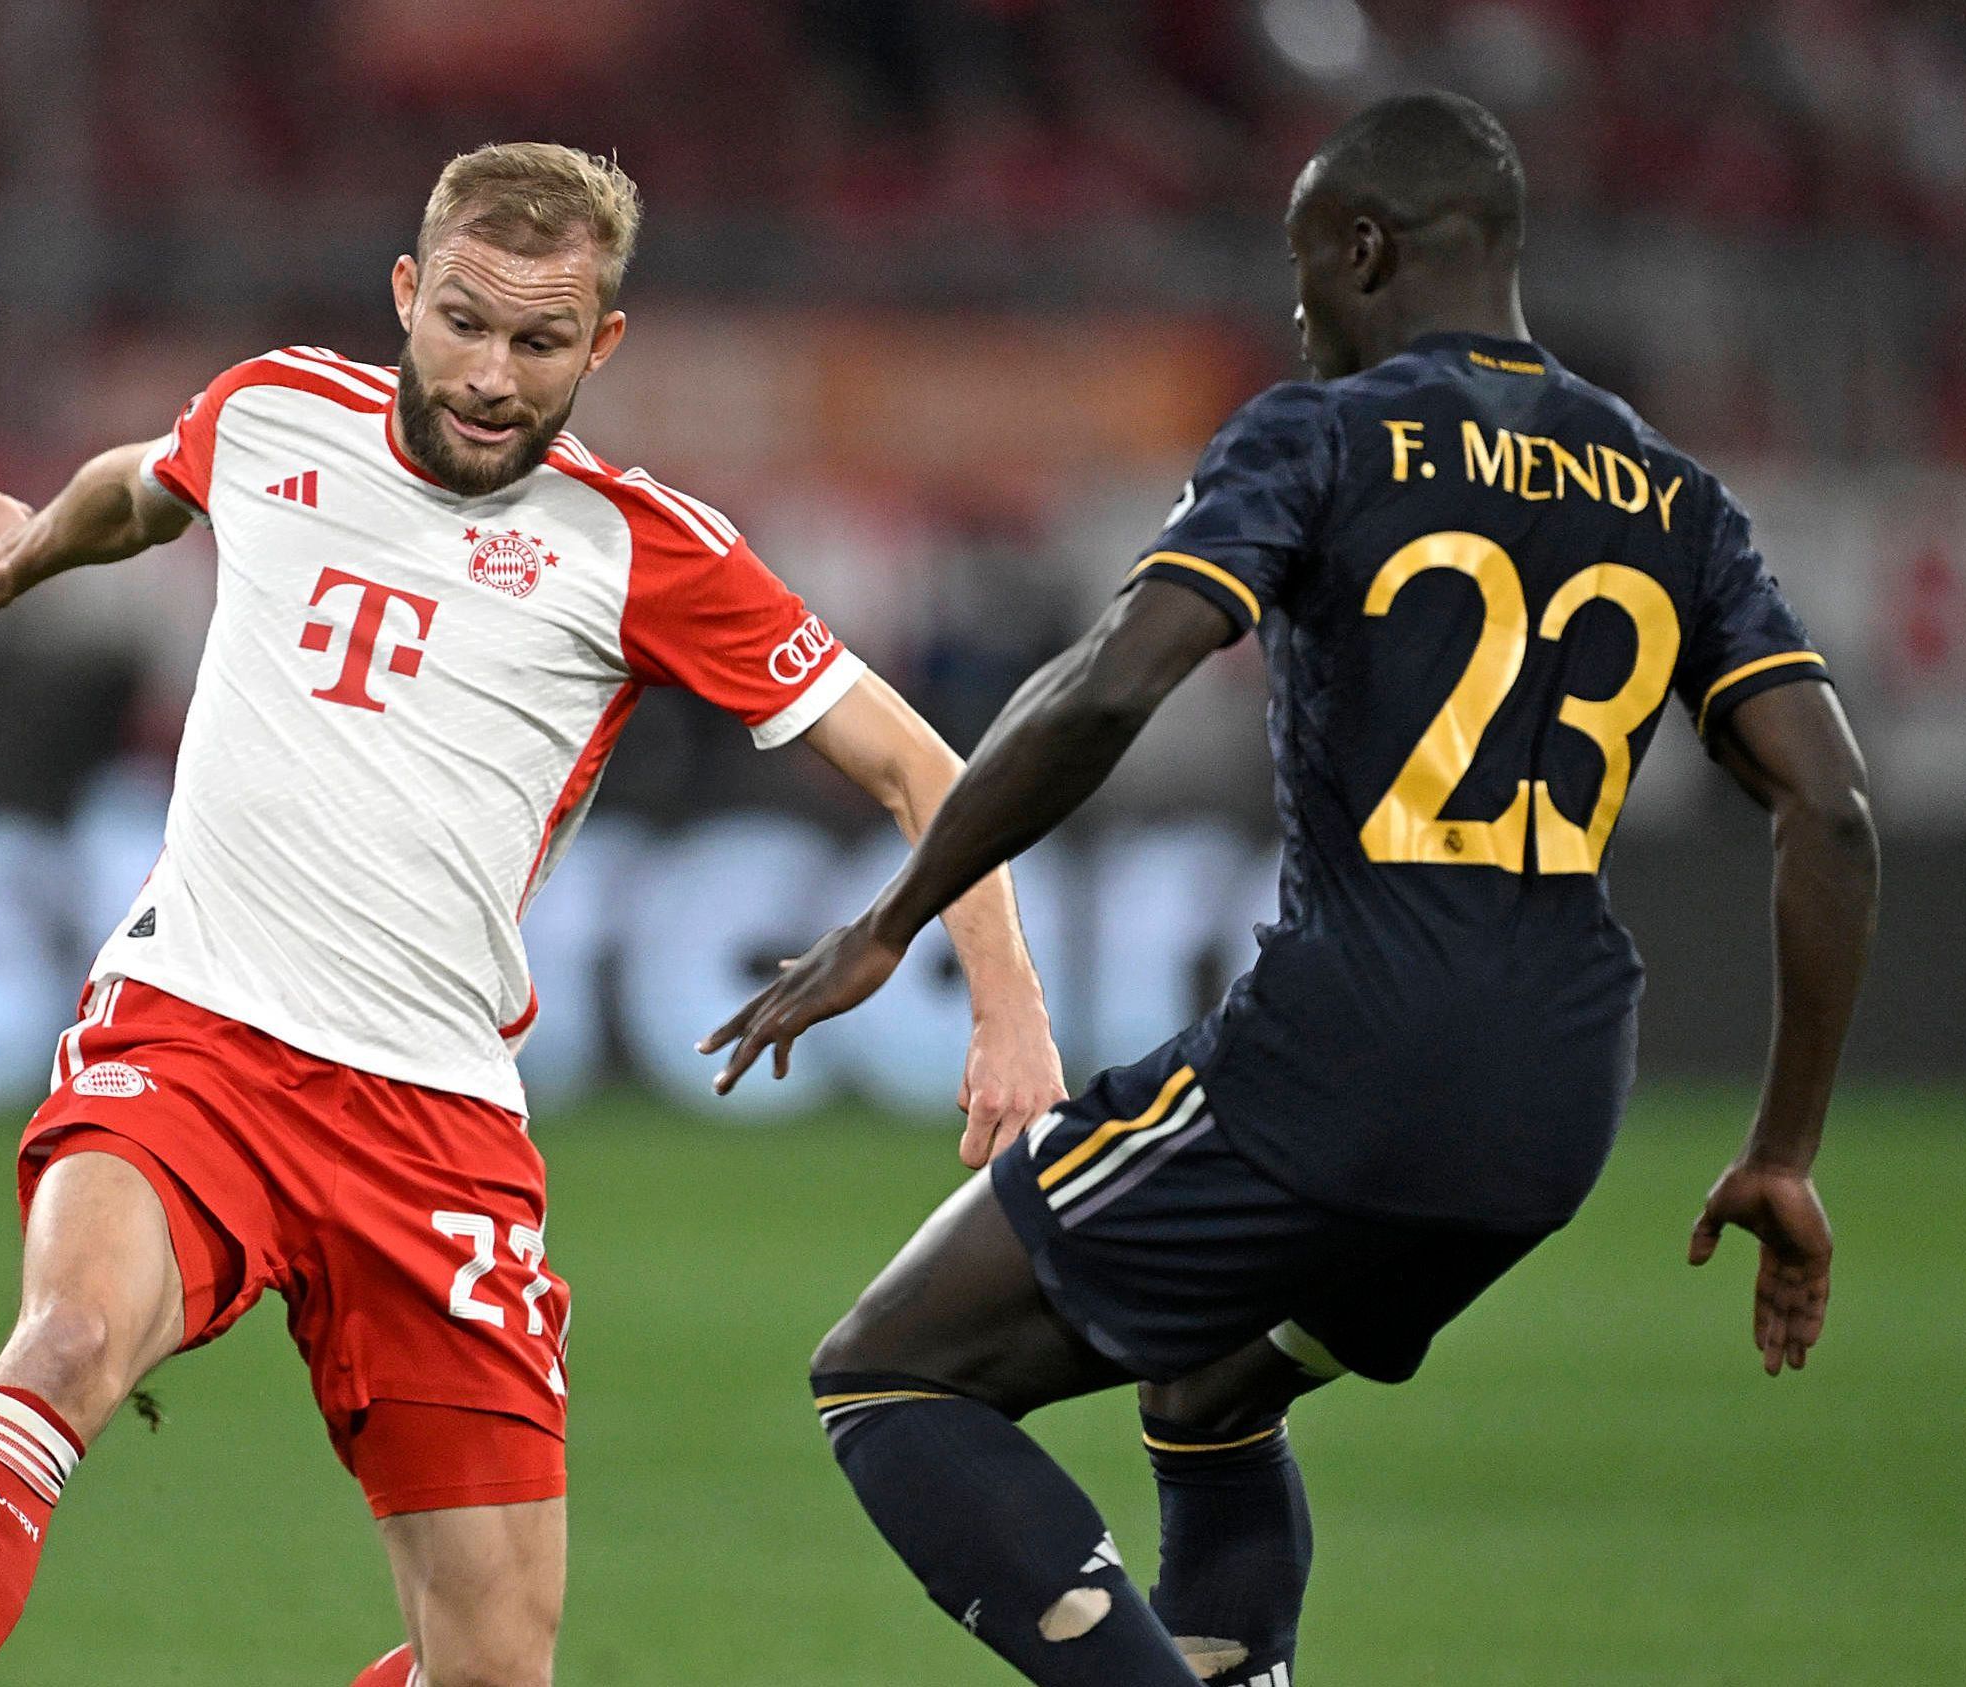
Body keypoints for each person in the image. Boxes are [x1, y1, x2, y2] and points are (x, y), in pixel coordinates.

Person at [703, 92, 1880, 1686]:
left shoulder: (1321, 434)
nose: (1297, 302)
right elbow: (1832, 808)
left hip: (1344, 1062)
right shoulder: (1671, 495)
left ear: (1367, 247)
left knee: (892, 1375)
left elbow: (1113, 688)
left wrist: (893, 920)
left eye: (1301, 263)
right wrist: (1786, 1150)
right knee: (1206, 1392)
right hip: (1551, 1117)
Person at [0, 142, 1065, 1687]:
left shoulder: (642, 548)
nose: (496, 378)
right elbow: (142, 486)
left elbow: (920, 765)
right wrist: (31, 552)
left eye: (543, 342)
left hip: (434, 1122)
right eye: (469, 326)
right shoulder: (276, 407)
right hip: (197, 1039)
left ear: (603, 344)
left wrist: (1011, 1010)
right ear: (409, 296)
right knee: (70, 1344)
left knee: (490, 1666)